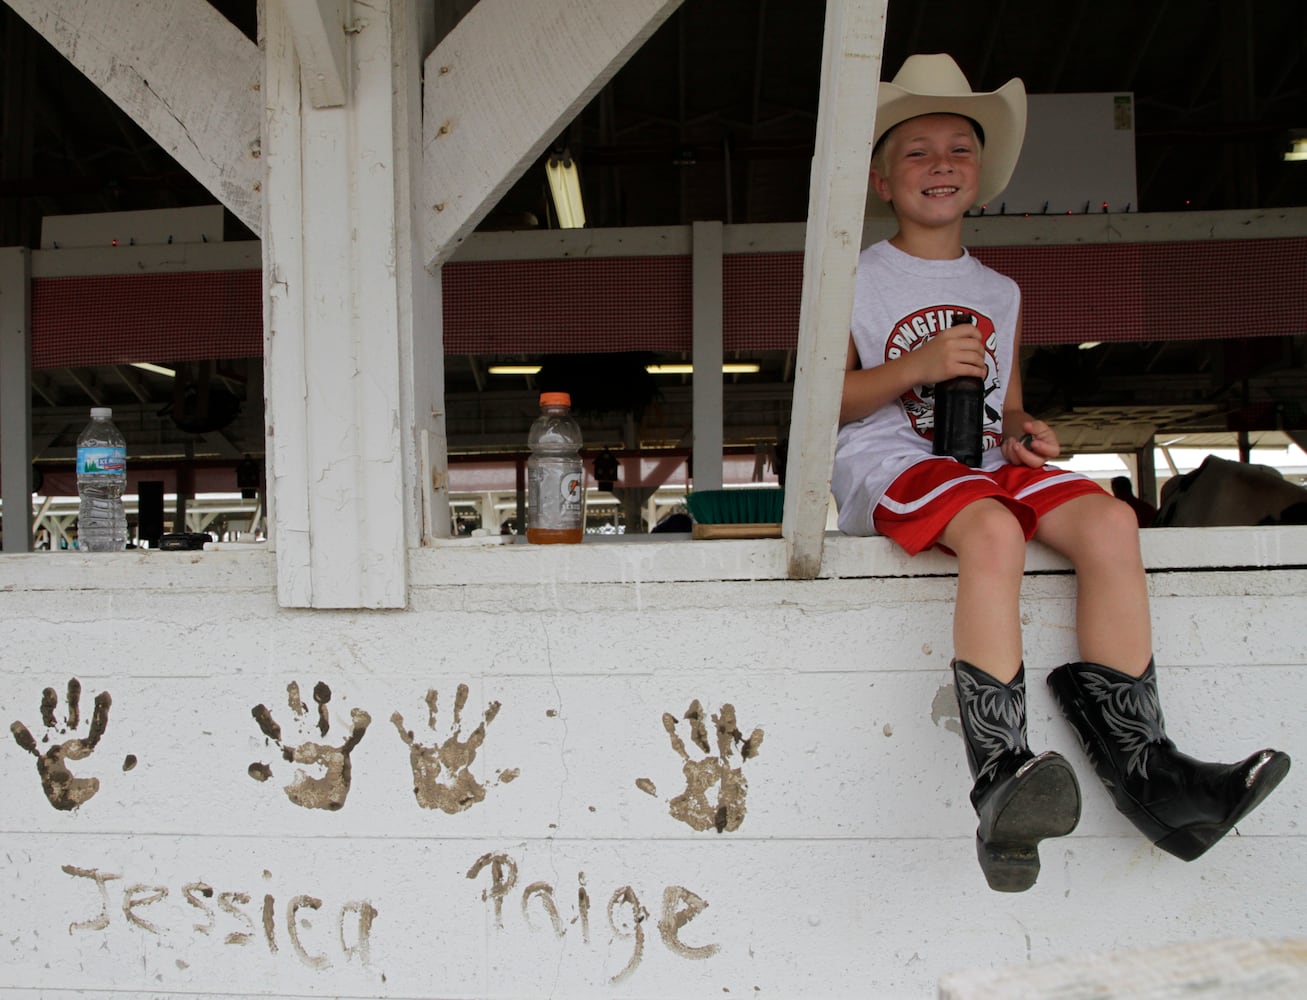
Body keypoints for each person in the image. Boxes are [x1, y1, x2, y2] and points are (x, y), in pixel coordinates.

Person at [833, 53, 1290, 893]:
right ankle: (1000, 770)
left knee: (1112, 521)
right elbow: (825, 403)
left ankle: (1147, 769)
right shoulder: (850, 275)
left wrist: (1022, 431)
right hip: (888, 460)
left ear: (981, 175)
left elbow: (1004, 401)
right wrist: (918, 366)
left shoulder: (997, 289)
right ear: (879, 179)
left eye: (959, 149)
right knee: (994, 530)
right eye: (917, 150)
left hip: (976, 463)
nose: (941, 164)